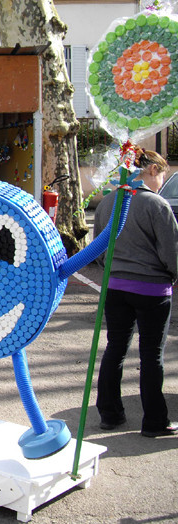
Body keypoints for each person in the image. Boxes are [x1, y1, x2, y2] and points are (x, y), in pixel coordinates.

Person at [94, 146, 178, 438]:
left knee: (115, 348)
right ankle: (154, 421)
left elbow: (99, 249)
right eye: (162, 175)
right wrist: (173, 274)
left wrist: (114, 269)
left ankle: (109, 413)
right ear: (152, 170)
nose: (161, 183)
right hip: (152, 289)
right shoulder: (157, 205)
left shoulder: (107, 203)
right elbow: (171, 252)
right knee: (151, 356)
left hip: (115, 287)